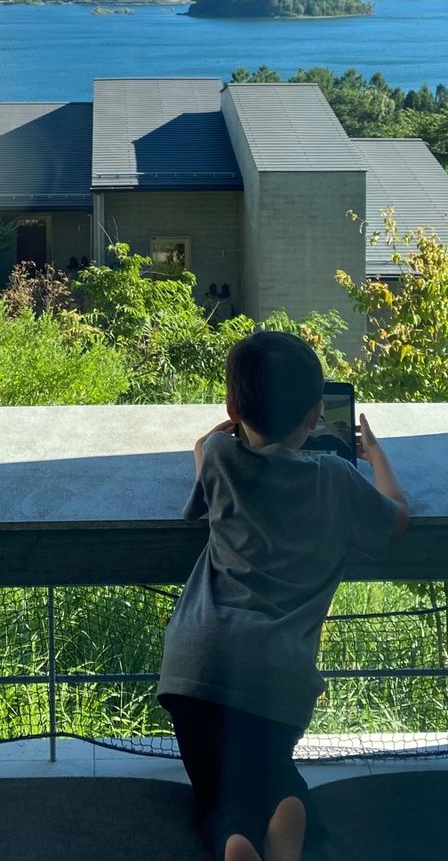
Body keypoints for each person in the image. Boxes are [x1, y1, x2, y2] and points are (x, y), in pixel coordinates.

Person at [157, 330, 409, 861]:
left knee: (216, 793)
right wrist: (376, 456)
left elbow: (203, 448)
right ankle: (286, 815)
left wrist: (229, 425)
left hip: (196, 661)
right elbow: (396, 515)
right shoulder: (337, 478)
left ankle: (234, 841)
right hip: (278, 671)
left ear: (232, 407)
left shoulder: (223, 458)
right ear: (316, 415)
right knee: (269, 769)